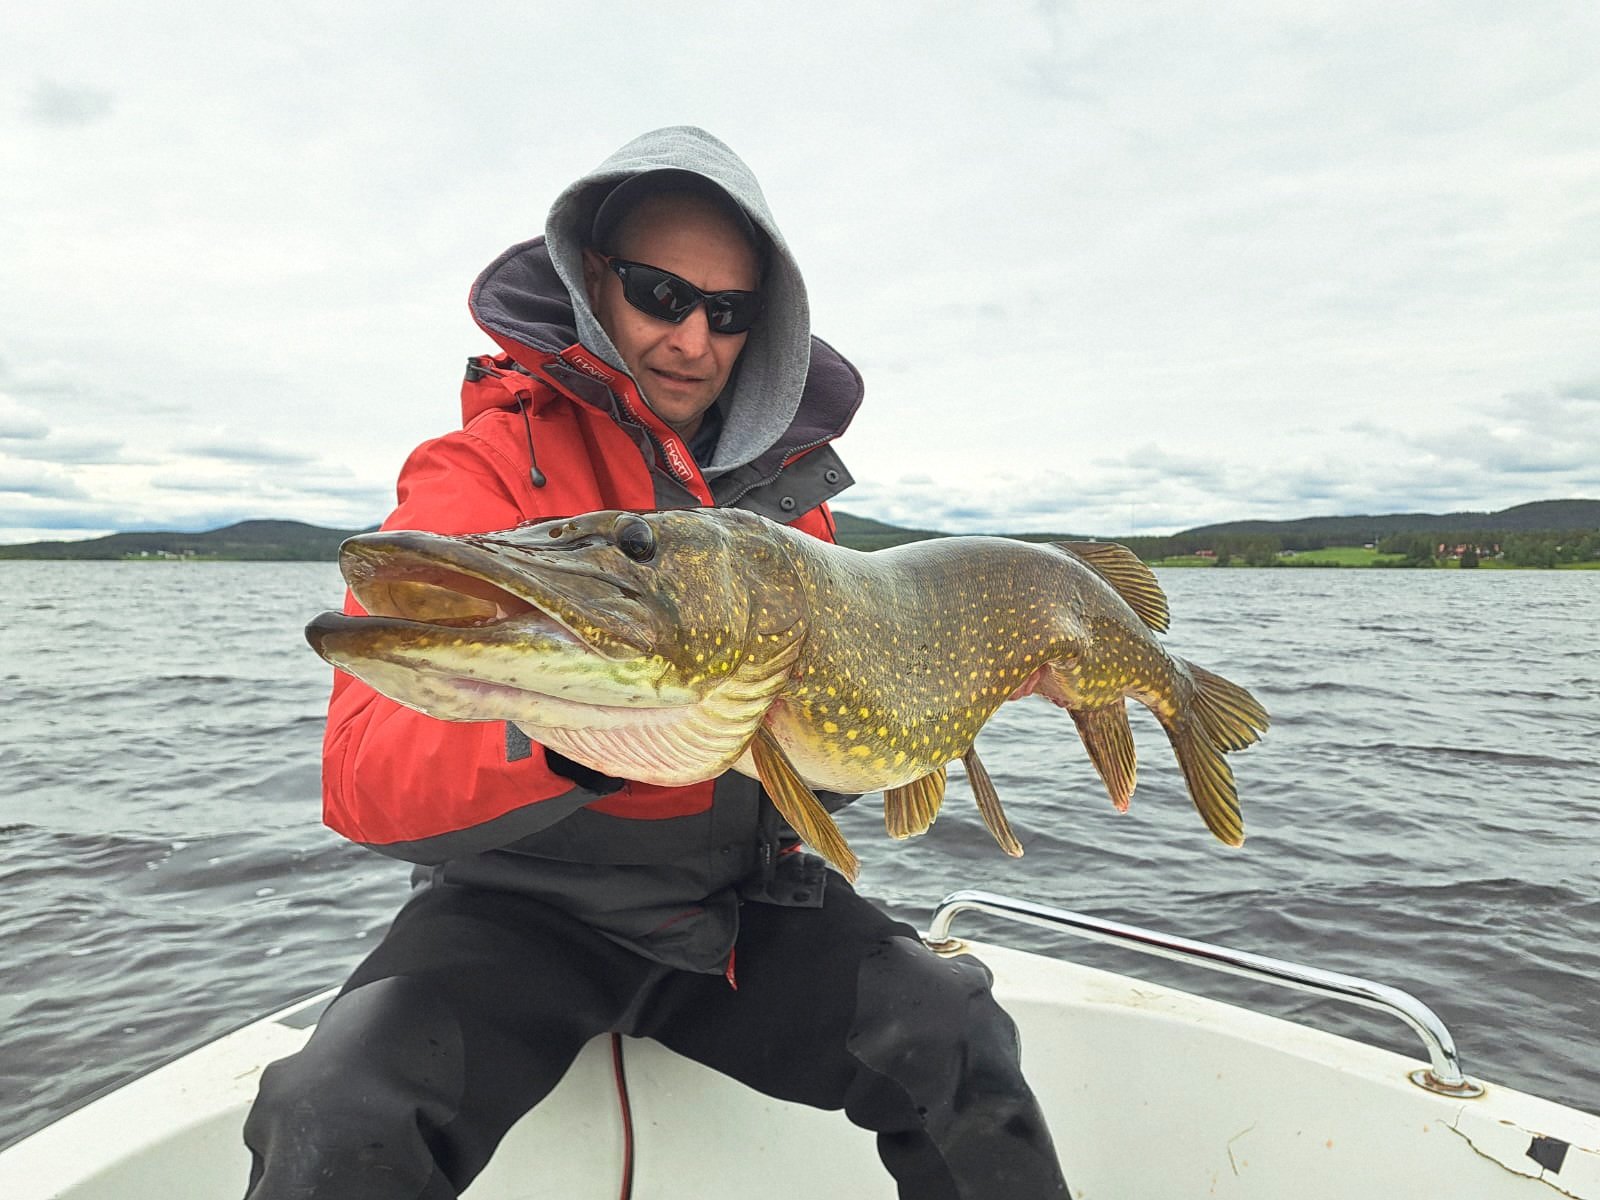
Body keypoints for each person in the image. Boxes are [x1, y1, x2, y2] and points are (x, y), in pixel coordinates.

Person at [243, 126, 1070, 1200]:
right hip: (521, 913)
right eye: (658, 293)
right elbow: (364, 776)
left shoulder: (789, 503)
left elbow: (812, 771)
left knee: (954, 1032)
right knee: (341, 1111)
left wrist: (938, 695)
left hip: (737, 907)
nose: (692, 338)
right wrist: (586, 736)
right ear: (594, 282)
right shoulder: (485, 468)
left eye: (728, 312)